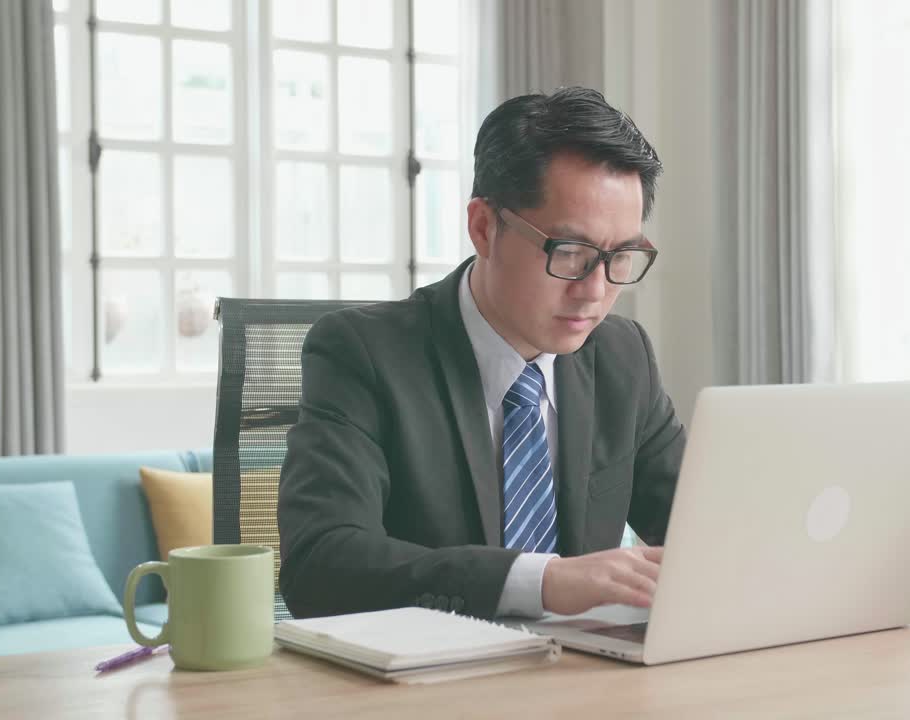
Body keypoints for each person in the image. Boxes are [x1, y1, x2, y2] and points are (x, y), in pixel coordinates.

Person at [278, 86, 686, 621]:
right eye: (570, 253)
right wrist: (541, 582)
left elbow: (701, 529)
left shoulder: (622, 355)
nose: (593, 291)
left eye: (621, 257)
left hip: (587, 684)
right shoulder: (363, 354)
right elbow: (320, 565)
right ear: (483, 228)